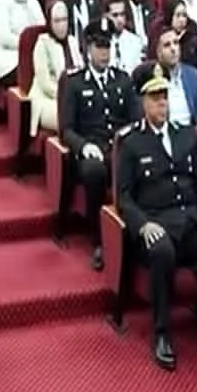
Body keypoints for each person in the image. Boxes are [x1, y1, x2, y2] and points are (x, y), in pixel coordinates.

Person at [115, 74, 197, 370]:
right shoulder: (131, 142)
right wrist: (143, 224)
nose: (162, 104)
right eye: (155, 99)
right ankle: (162, 331)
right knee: (161, 250)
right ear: (144, 103)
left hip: (190, 221)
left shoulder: (186, 134)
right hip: (156, 222)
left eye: (165, 97)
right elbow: (124, 197)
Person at [58, 25, 136, 270]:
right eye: (99, 47)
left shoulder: (123, 80)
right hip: (92, 149)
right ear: (88, 49)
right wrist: (83, 146)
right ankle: (99, 238)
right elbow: (66, 129)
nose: (104, 53)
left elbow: (135, 120)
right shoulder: (75, 83)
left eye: (107, 47)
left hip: (120, 147)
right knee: (95, 171)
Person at [28, 0, 74, 136]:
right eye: (57, 21)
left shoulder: (72, 41)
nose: (61, 25)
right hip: (47, 100)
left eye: (64, 20)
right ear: (50, 22)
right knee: (69, 116)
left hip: (71, 97)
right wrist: (67, 97)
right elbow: (45, 85)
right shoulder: (42, 44)